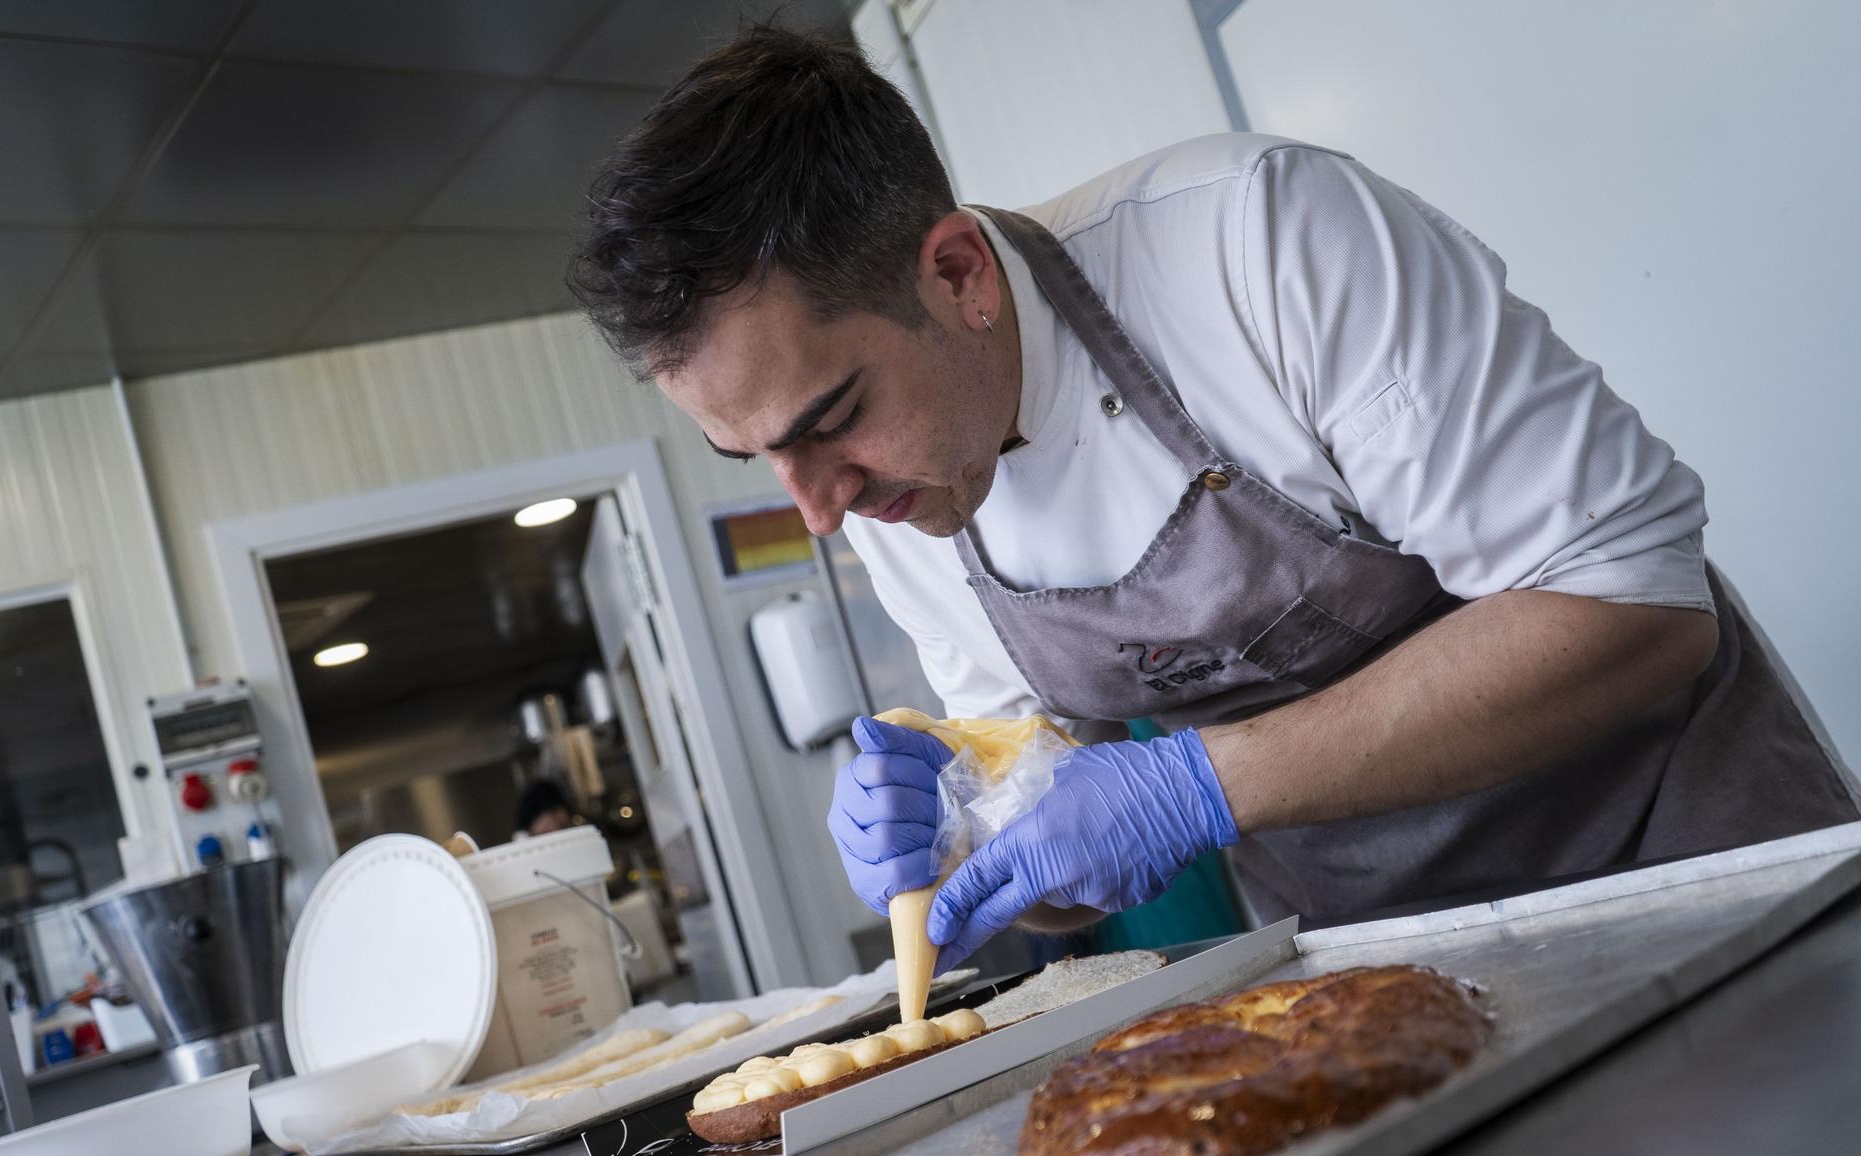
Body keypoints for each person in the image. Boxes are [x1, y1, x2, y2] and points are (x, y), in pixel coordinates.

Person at [568, 27, 1857, 968]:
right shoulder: (910, 499)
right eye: (760, 463)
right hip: (1398, 977)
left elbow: (1630, 598)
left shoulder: (1259, 244)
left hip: (1713, 880)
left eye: (828, 422)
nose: (821, 511)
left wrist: (1203, 785)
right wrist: (979, 848)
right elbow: (1071, 861)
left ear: (957, 274)